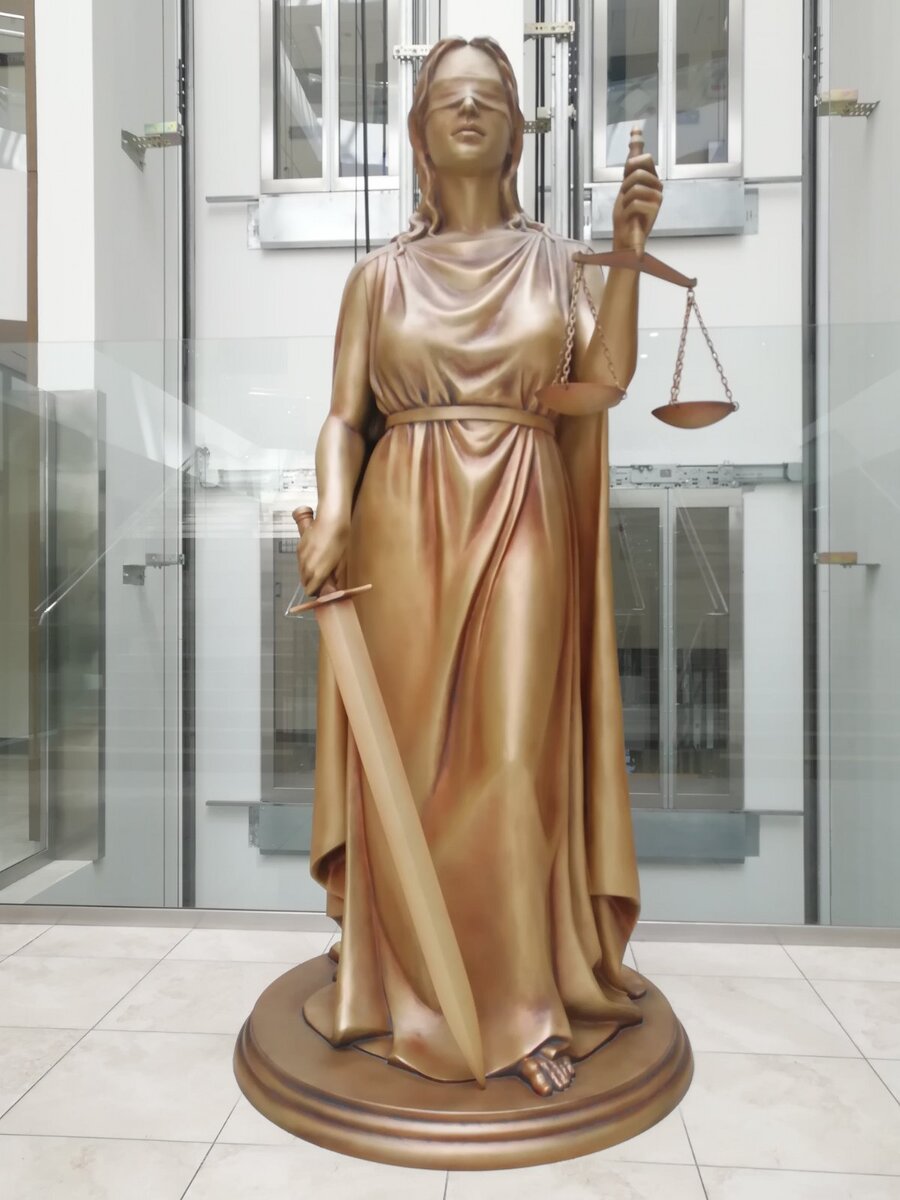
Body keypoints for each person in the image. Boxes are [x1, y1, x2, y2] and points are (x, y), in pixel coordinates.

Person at [297, 35, 663, 1097]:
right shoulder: (378, 277)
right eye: (449, 98)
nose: (468, 109)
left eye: (489, 99)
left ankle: (515, 1003)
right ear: (420, 133)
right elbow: (344, 416)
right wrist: (332, 512)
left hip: (524, 501)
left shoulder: (558, 262)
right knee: (410, 768)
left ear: (514, 134)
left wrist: (627, 251)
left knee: (510, 755)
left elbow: (602, 381)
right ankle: (409, 981)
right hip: (400, 520)